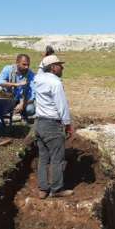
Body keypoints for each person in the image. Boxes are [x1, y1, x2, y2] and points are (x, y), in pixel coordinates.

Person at [33, 55, 74, 199]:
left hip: (39, 124)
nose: (62, 67)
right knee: (57, 158)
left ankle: (43, 189)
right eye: (59, 65)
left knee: (43, 158)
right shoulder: (55, 83)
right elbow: (61, 105)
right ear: (53, 68)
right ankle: (56, 189)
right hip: (51, 124)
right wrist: (68, 124)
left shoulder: (38, 79)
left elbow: (40, 69)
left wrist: (45, 57)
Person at [0, 54, 36, 118]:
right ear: (17, 63)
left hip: (21, 99)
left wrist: (22, 104)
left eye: (28, 65)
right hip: (7, 97)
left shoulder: (31, 75)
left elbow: (33, 95)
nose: (27, 67)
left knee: (30, 109)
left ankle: (21, 112)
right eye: (24, 64)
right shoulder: (8, 69)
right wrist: (16, 84)